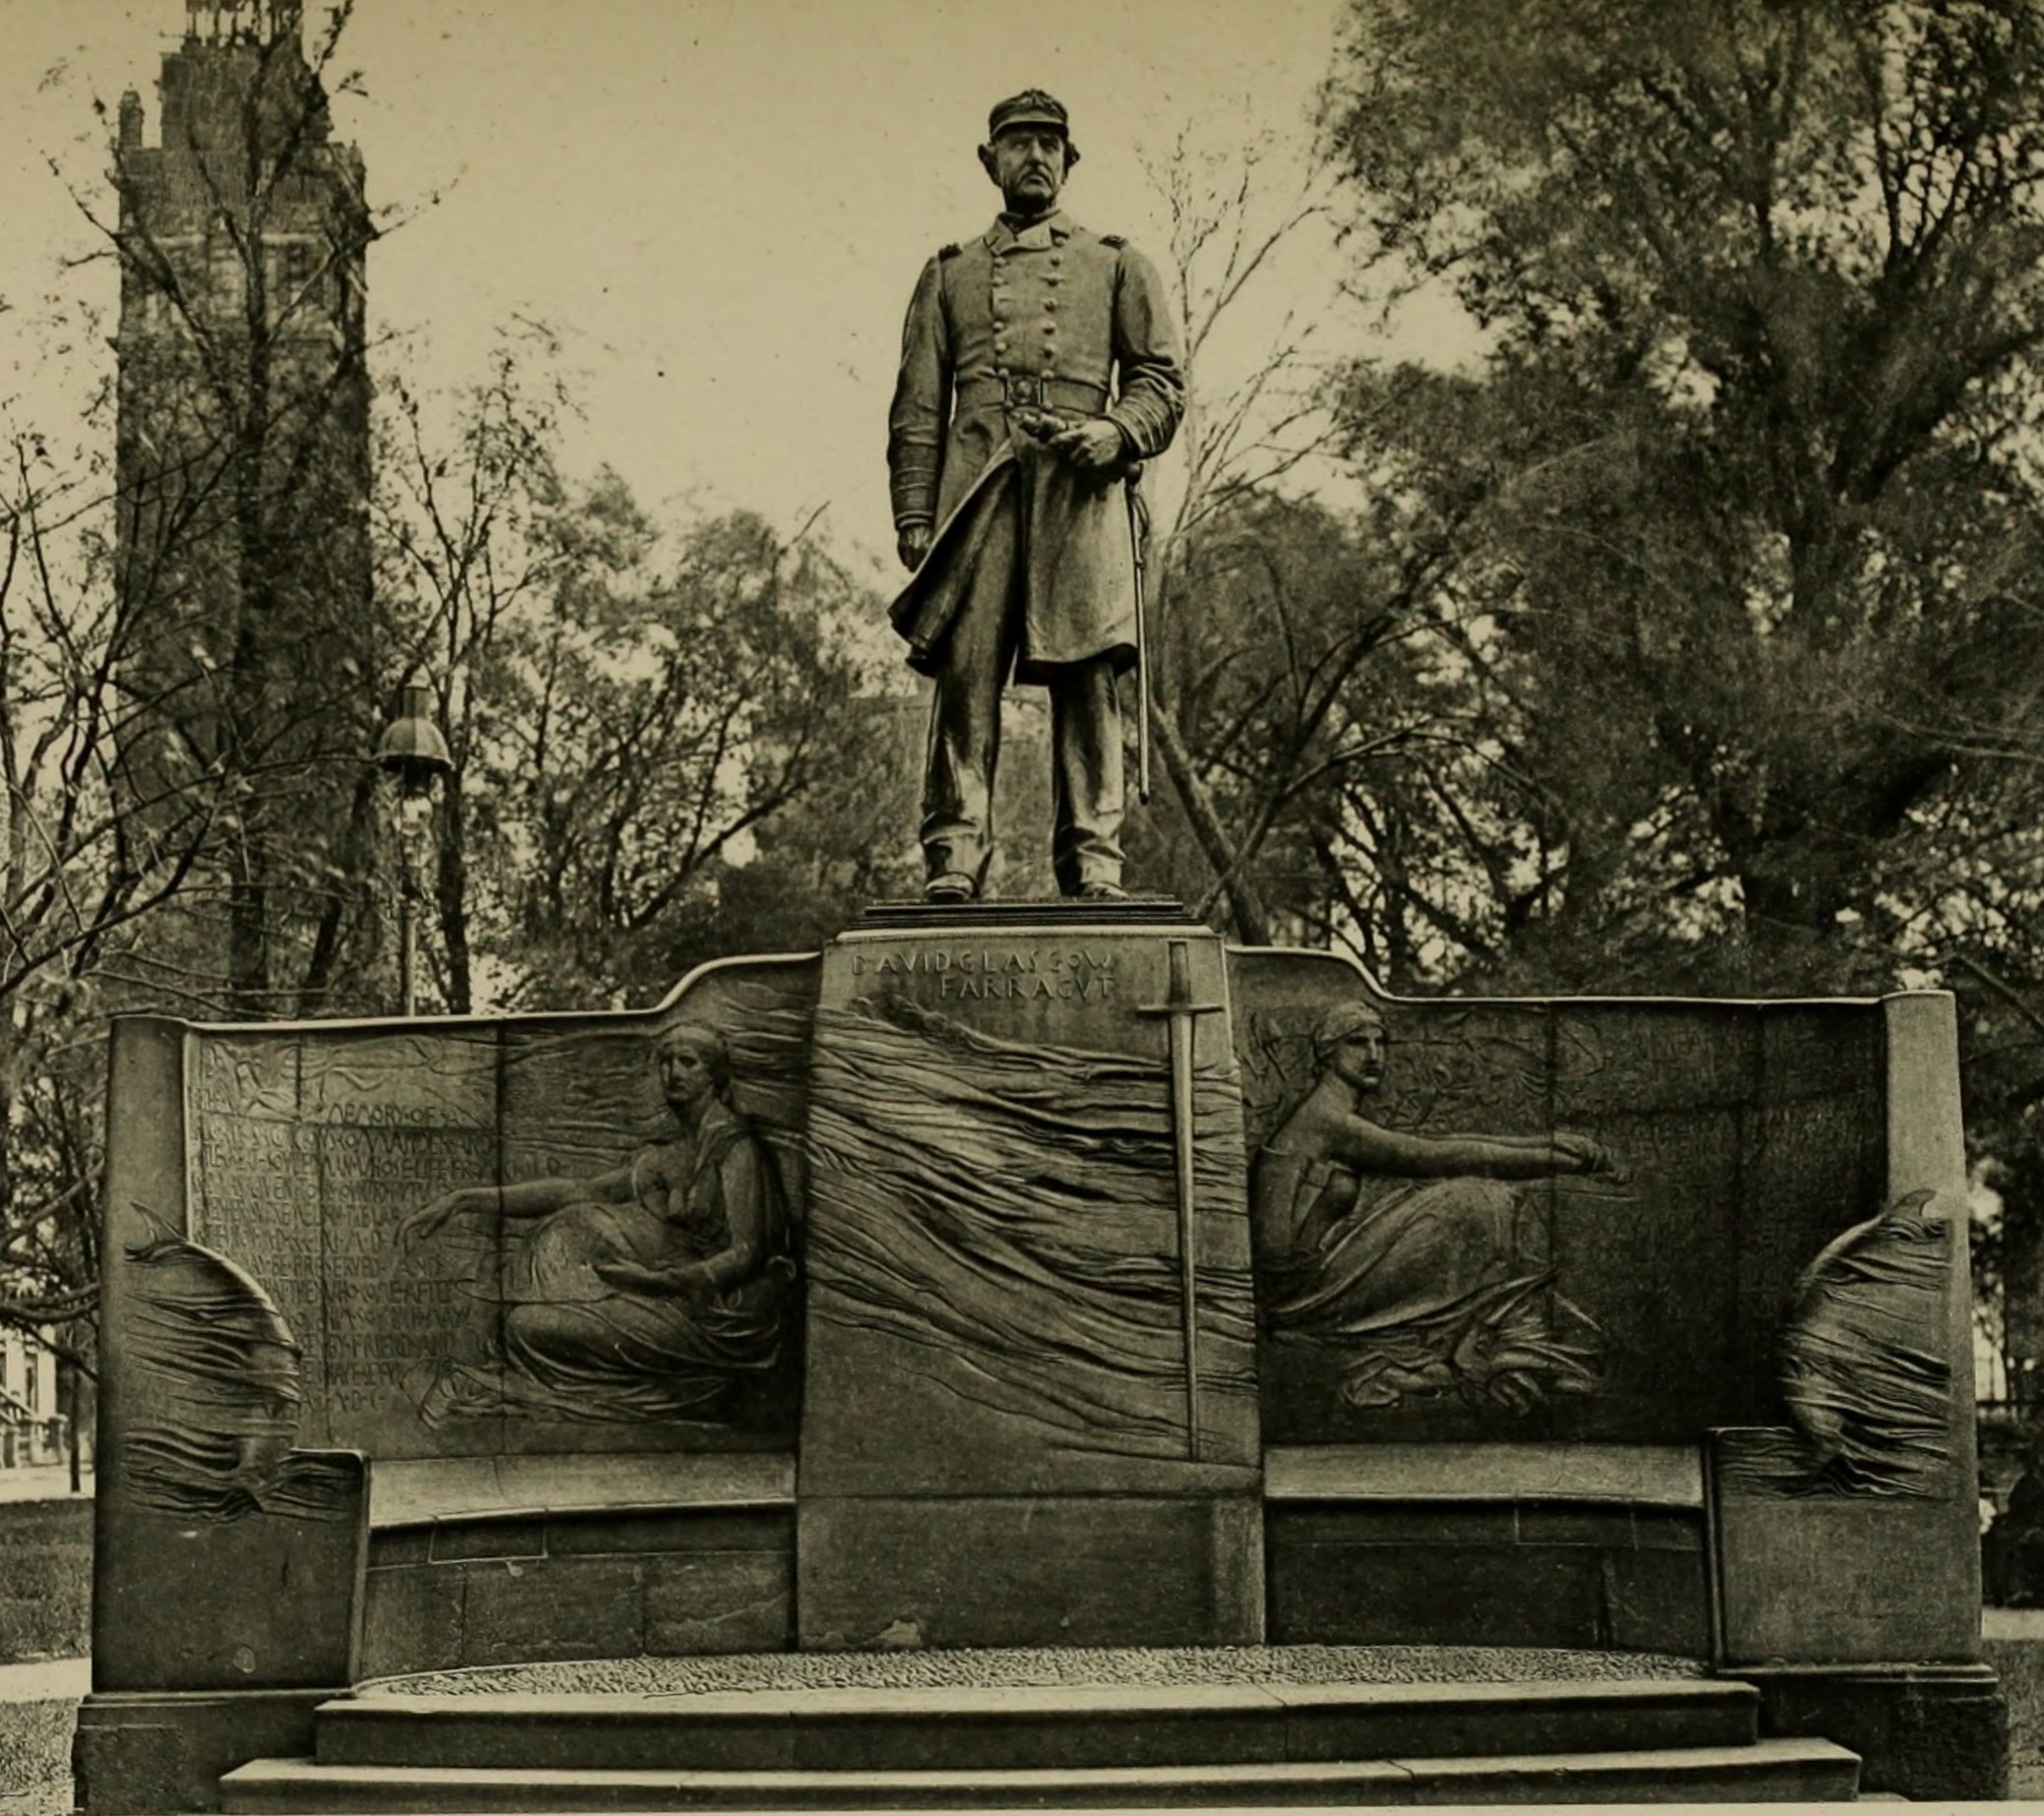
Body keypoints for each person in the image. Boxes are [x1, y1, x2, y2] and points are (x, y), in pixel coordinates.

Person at [887, 89, 1185, 902]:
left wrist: (1118, 432)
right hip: (977, 491)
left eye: (1050, 144)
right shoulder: (947, 273)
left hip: (1079, 491)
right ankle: (954, 854)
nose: (1036, 157)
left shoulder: (1118, 263)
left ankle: (1093, 860)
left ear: (1070, 159)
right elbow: (918, 407)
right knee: (967, 673)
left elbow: (1161, 380)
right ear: (990, 161)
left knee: (1089, 677)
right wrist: (916, 511)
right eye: (1018, 143)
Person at [397, 1023, 793, 1424]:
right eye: (665, 1062)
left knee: (525, 1329)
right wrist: (466, 1200)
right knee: (522, 1324)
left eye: (687, 1062)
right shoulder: (665, 1156)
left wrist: (668, 1282)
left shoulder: (736, 1147)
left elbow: (747, 1251)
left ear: (714, 1075)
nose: (672, 1072)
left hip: (712, 1315)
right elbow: (576, 1190)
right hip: (655, 1296)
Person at [1251, 1002, 1619, 1414]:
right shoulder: (1324, 1120)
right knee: (1470, 1203)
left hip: (1324, 1269)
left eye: (1381, 1042)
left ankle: (1511, 1343)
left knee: (1465, 1201)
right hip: (1302, 1292)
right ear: (1326, 1054)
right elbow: (1432, 1156)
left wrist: (1544, 1145)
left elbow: (1445, 1145)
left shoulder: (1335, 1114)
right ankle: (1499, 1347)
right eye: (1357, 1043)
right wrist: (1548, 1156)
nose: (1374, 1055)